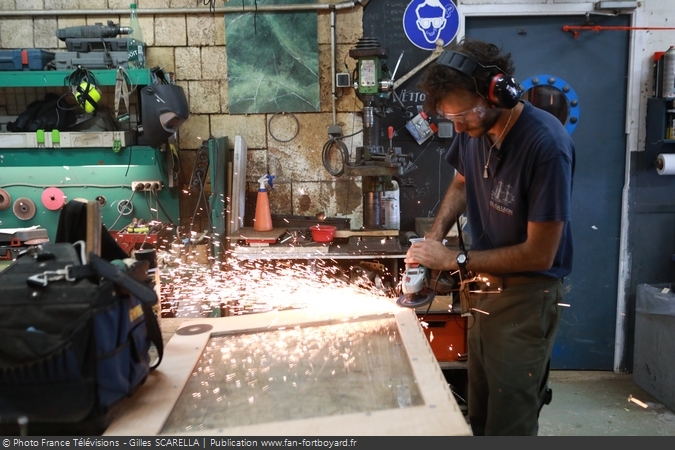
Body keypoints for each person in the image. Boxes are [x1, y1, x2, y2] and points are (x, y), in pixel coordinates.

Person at [404, 38, 575, 435]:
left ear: (497, 90)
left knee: (509, 422)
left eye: (462, 115)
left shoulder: (545, 146)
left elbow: (541, 254)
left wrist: (456, 261)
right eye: (452, 119)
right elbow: (462, 184)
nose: (459, 127)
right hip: (482, 295)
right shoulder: (473, 130)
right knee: (479, 416)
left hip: (525, 300)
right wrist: (432, 242)